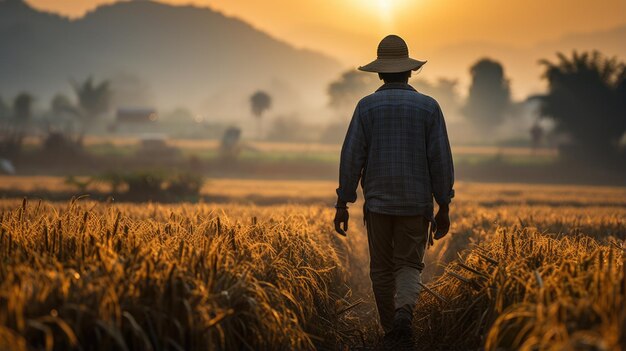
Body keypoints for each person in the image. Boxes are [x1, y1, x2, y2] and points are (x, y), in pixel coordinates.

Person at [333, 35, 455, 348]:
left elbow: (352, 157)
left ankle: (391, 331)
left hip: (378, 204)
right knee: (410, 265)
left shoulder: (366, 107)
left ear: (379, 73)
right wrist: (444, 205)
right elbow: (440, 159)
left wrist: (342, 202)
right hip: (416, 204)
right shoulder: (429, 107)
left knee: (381, 268)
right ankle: (404, 315)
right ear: (410, 71)